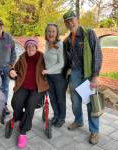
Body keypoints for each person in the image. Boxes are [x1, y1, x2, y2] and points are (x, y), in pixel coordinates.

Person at [63, 10, 102, 144]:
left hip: (87, 73)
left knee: (91, 103)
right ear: (65, 24)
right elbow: (66, 59)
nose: (70, 23)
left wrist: (95, 76)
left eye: (72, 20)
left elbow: (97, 54)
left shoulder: (88, 33)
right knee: (75, 102)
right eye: (67, 22)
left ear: (77, 19)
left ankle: (94, 131)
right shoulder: (67, 39)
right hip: (74, 73)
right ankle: (78, 121)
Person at [8, 39, 49, 148]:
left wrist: (48, 72)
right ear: (26, 48)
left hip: (37, 87)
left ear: (36, 47)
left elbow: (52, 68)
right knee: (15, 102)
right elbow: (13, 71)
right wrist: (11, 72)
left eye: (33, 46)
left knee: (31, 105)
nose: (31, 48)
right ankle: (23, 117)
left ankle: (23, 132)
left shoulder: (43, 57)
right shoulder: (22, 58)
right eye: (28, 46)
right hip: (23, 86)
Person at [42, 23, 67, 127]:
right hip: (49, 77)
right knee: (52, 98)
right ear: (46, 33)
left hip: (58, 77)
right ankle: (56, 116)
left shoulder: (60, 44)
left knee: (60, 99)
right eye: (49, 31)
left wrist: (48, 71)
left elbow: (61, 63)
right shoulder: (47, 44)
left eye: (53, 31)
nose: (51, 33)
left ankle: (61, 118)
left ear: (56, 33)